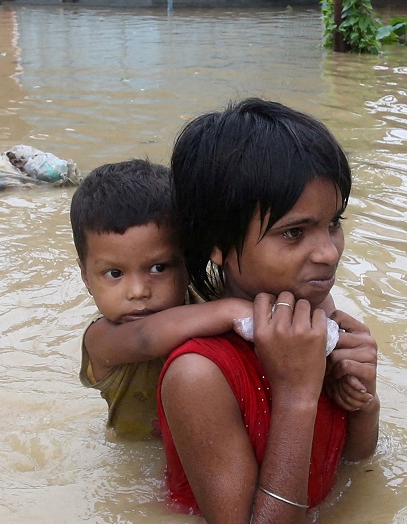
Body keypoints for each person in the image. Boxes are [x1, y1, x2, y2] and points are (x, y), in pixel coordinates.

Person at [157, 99, 380, 522]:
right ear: (219, 245)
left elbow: (353, 467)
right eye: (294, 232)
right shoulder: (199, 374)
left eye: (334, 222)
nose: (329, 252)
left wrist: (364, 402)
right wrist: (297, 394)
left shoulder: (316, 317)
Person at [71, 159, 371, 441]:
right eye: (114, 273)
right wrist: (232, 311)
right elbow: (146, 338)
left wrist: (333, 346)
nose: (137, 291)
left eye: (159, 268)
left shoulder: (202, 296)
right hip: (139, 456)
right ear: (85, 276)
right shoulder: (101, 339)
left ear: (189, 261)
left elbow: (300, 295)